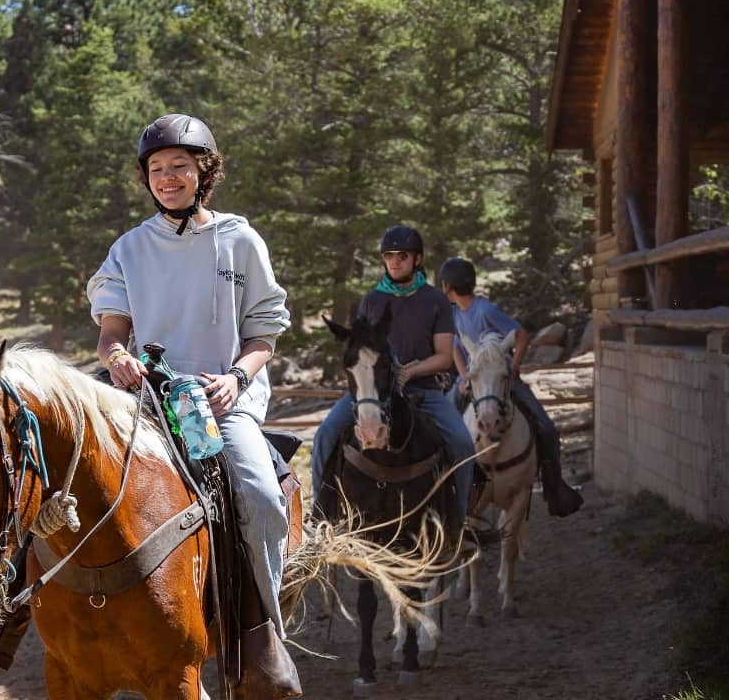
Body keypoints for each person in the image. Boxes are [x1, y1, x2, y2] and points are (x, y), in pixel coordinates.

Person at [86, 113, 300, 698]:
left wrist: (236, 376)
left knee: (257, 493)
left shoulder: (240, 239)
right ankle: (15, 617)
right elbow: (111, 332)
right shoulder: (129, 248)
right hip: (147, 402)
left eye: (179, 166)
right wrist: (116, 357)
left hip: (217, 403)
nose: (167, 178)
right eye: (156, 169)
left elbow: (263, 333)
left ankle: (263, 635)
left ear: (204, 172)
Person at [310, 225, 475, 523]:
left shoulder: (435, 300)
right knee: (324, 435)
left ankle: (457, 522)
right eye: (389, 256)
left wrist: (409, 371)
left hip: (423, 391)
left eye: (402, 255)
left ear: (417, 259)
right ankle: (322, 515)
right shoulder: (372, 301)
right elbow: (360, 349)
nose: (395, 261)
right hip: (373, 393)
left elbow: (444, 355)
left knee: (462, 443)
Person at [438, 257, 584, 517]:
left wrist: (514, 367)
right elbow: (454, 348)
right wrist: (463, 378)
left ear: (448, 287)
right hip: (473, 380)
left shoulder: (484, 310)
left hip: (501, 380)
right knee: (440, 425)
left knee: (546, 428)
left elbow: (521, 335)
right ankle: (441, 487)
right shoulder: (453, 314)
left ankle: (554, 487)